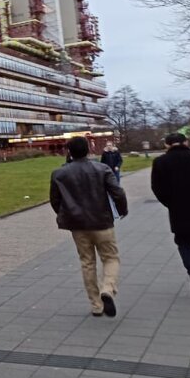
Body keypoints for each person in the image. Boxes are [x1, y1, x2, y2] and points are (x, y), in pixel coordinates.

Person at [50, 136, 128, 317]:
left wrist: (66, 215)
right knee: (110, 258)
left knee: (87, 263)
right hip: (102, 222)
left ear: (69, 151)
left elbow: (55, 200)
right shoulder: (102, 169)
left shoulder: (59, 174)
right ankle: (108, 289)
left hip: (78, 225)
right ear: (88, 150)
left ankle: (96, 305)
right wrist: (122, 209)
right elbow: (117, 192)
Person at [151, 132, 190, 297]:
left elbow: (157, 188)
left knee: (184, 243)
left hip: (179, 211)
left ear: (166, 145)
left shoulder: (160, 162)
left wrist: (170, 203)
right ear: (186, 142)